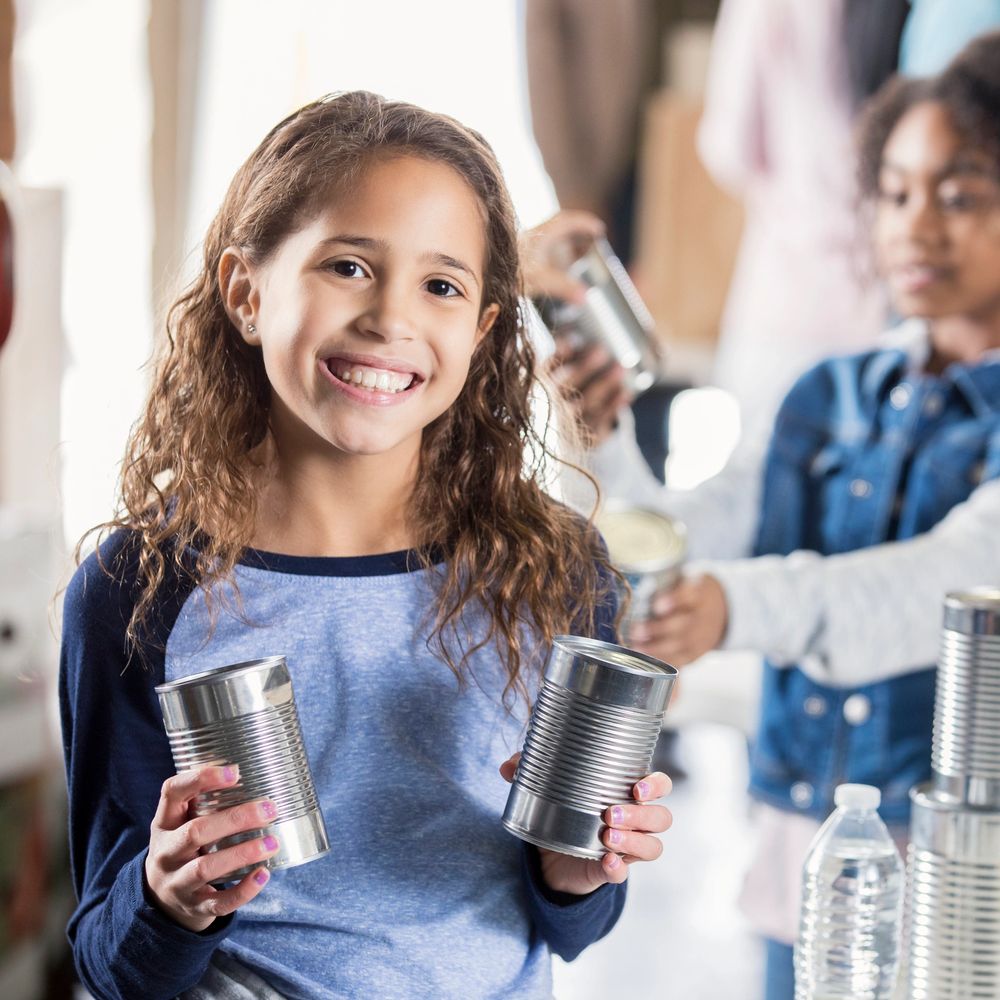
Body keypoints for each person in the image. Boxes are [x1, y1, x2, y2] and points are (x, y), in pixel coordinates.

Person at [58, 92, 674, 1000]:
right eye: (348, 266)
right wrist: (168, 896)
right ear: (245, 292)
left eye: (441, 286)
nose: (392, 319)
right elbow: (110, 963)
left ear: (483, 331)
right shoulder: (137, 590)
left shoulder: (556, 574)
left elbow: (574, 923)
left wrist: (577, 871)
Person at [571, 32, 1000, 999]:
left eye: (960, 194)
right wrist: (597, 438)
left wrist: (733, 605)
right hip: (809, 855)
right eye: (893, 192)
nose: (915, 227)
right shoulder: (828, 394)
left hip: (965, 882)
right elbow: (682, 541)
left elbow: (929, 588)